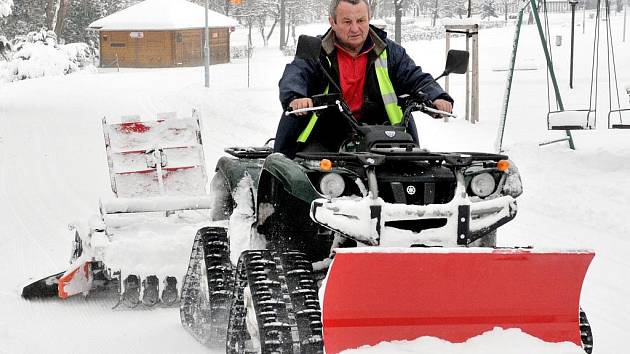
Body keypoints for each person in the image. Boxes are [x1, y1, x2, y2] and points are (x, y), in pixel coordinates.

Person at [274, 0, 454, 158]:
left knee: (413, 171)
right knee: (310, 174)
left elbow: (414, 76)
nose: (355, 28)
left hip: (382, 133)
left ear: (369, 18)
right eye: (347, 22)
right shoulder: (316, 50)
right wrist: (296, 97)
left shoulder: (389, 52)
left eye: (361, 20)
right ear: (332, 22)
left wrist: (437, 96)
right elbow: (296, 73)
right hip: (324, 133)